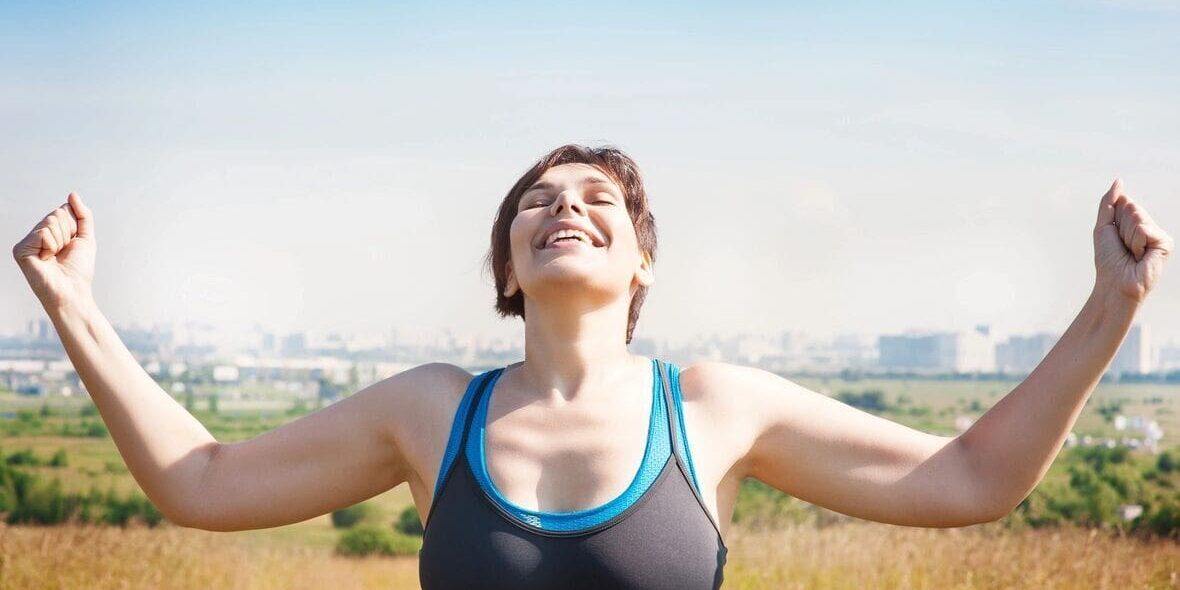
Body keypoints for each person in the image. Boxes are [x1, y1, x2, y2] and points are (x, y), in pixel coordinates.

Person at [11, 143, 1173, 589]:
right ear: (508, 266)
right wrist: (71, 305)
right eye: (536, 200)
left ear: (641, 259)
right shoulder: (430, 410)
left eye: (597, 197)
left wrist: (1111, 302)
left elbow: (971, 476)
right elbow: (203, 481)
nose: (563, 206)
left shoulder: (710, 405)